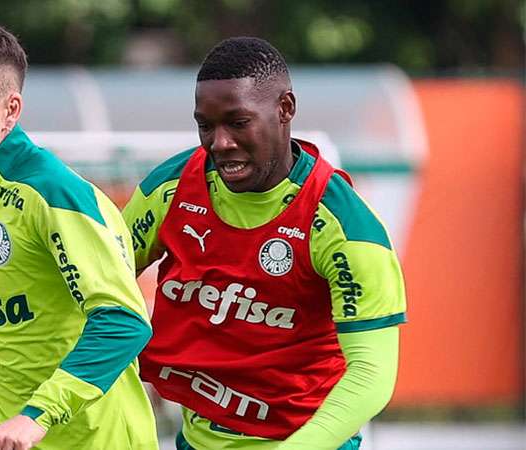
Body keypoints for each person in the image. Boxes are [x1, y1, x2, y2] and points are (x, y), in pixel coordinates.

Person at [123, 37, 406, 450]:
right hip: (195, 439)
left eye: (238, 123)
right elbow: (95, 285)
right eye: (206, 125)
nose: (220, 142)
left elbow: (371, 374)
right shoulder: (170, 187)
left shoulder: (345, 227)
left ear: (285, 109)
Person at [0, 18, 158, 450]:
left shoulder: (54, 193)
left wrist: (34, 417)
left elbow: (123, 322)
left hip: (88, 440)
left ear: (11, 110)